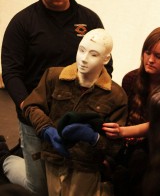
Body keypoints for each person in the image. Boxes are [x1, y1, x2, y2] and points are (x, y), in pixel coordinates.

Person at [1, 0, 113, 195]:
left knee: (69, 182)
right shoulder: (22, 23)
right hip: (33, 116)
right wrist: (28, 109)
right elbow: (10, 72)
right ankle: (5, 159)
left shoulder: (89, 20)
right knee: (40, 189)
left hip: (74, 115)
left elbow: (107, 67)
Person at [22, 28, 128, 196]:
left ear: (106, 59)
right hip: (54, 159)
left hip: (86, 167)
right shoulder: (54, 76)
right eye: (81, 50)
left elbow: (115, 146)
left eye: (93, 54)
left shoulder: (116, 95)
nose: (84, 59)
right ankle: (7, 159)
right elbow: (30, 106)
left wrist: (95, 139)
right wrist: (46, 129)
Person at [102, 27, 160, 196]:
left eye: (158, 56)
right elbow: (123, 114)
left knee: (139, 161)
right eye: (147, 52)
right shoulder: (130, 79)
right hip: (131, 141)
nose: (150, 60)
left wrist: (122, 132)